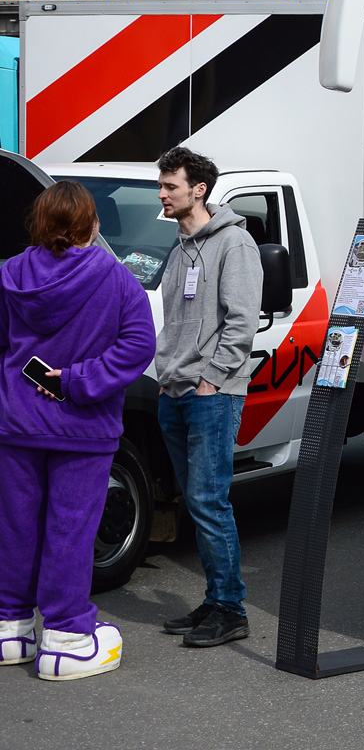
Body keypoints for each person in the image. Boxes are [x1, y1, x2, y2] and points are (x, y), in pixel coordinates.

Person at [0, 181, 154, 679]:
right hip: (81, 427)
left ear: (39, 221)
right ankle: (65, 638)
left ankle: (10, 629)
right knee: (70, 529)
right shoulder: (115, 277)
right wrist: (75, 382)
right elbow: (138, 346)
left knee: (14, 527)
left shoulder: (10, 275)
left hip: (16, 423)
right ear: (90, 224)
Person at [154, 147, 262, 648]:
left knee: (208, 500)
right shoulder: (178, 247)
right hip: (175, 390)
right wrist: (166, 374)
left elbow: (241, 322)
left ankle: (231, 609)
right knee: (196, 502)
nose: (163, 194)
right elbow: (175, 322)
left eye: (170, 186)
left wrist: (212, 380)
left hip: (210, 394)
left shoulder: (235, 244)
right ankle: (216, 598)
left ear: (198, 189)